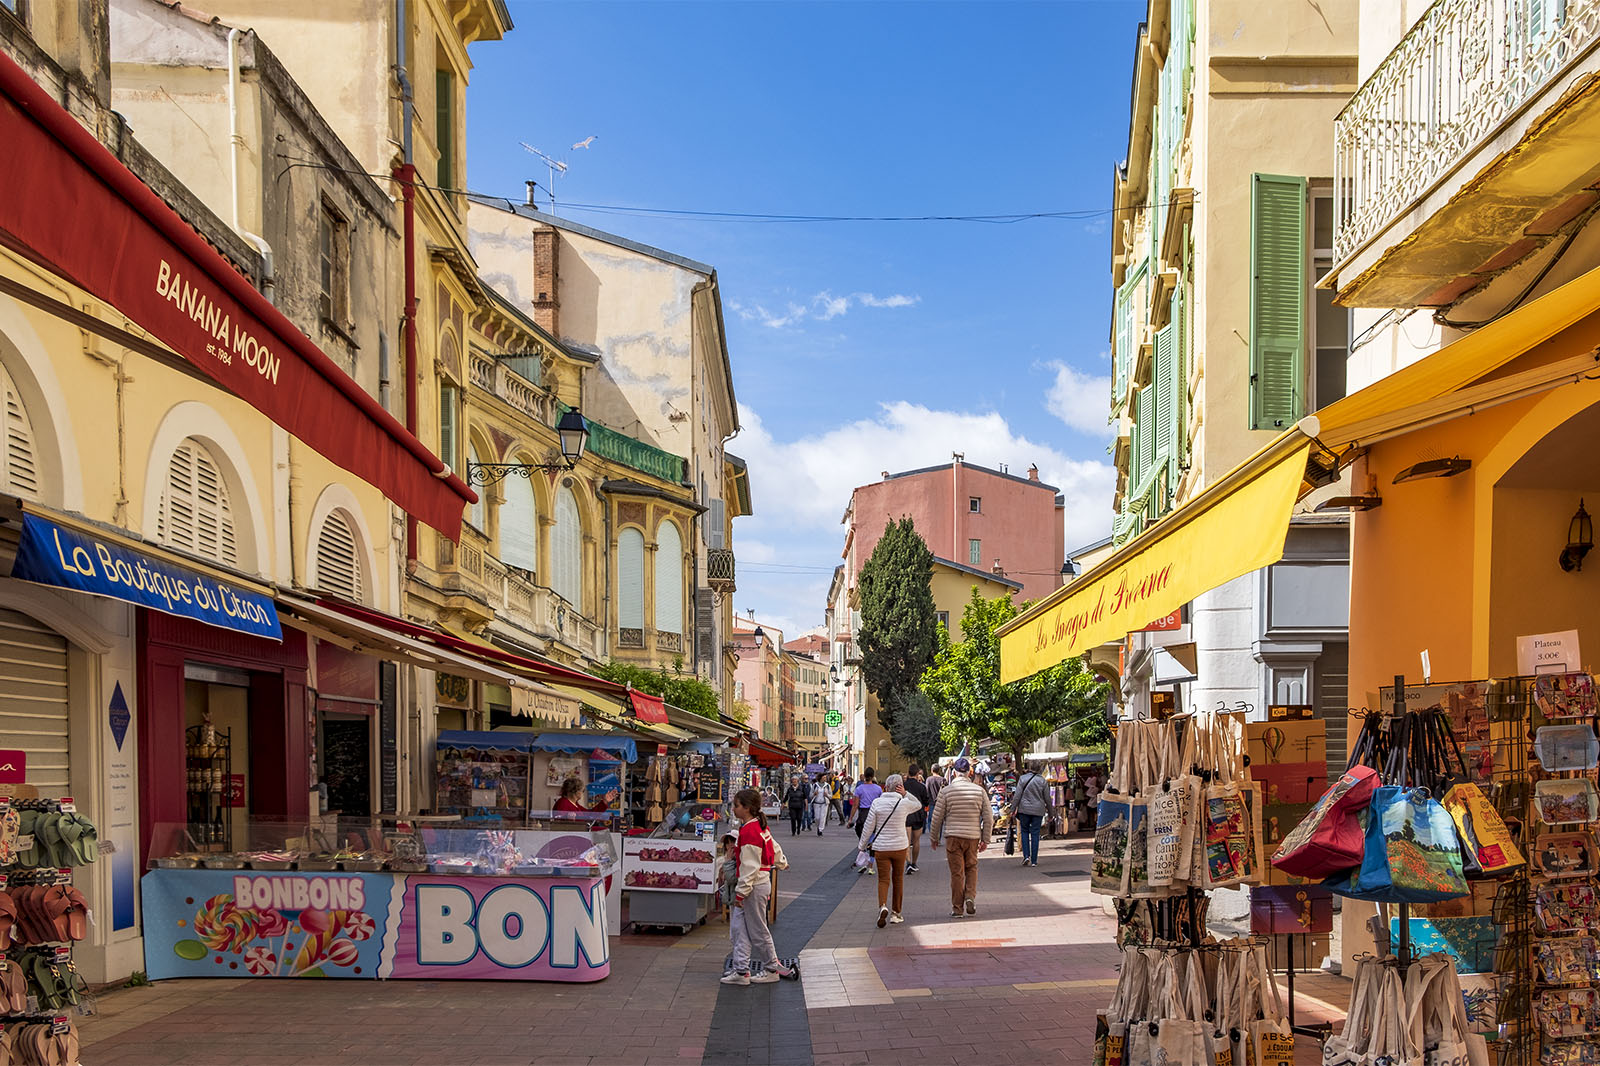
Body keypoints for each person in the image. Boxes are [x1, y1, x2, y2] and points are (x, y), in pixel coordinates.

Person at [723, 788, 796, 985]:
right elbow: (773, 846)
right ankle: (742, 970)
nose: (734, 809)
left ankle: (771, 968)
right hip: (758, 883)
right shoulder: (757, 826)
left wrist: (741, 892)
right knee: (744, 930)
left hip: (754, 885)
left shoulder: (749, 831)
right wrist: (781, 861)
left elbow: (749, 866)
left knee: (756, 930)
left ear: (746, 808)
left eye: (736, 806)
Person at [929, 757, 993, 918]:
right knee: (971, 867)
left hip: (953, 837)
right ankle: (970, 896)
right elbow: (988, 817)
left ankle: (958, 908)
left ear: (955, 773)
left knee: (957, 873)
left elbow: (937, 817)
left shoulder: (946, 791)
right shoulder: (979, 791)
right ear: (969, 773)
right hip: (972, 837)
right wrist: (986, 839)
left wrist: (934, 837)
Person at [857, 773, 915, 927]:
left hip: (881, 848)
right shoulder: (904, 802)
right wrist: (905, 793)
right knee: (898, 879)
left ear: (885, 787)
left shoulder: (877, 803)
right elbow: (919, 805)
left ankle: (882, 905)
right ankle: (896, 913)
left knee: (883, 880)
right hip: (899, 847)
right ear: (899, 787)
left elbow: (868, 826)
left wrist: (861, 846)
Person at [1010, 762, 1051, 867]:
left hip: (1024, 810)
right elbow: (1047, 798)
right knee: (1035, 834)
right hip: (1038, 810)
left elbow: (1017, 796)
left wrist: (1012, 809)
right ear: (1039, 769)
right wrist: (1051, 813)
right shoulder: (1042, 781)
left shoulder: (1022, 779)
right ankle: (1034, 860)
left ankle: (1026, 856)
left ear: (1029, 768)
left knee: (1024, 831)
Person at [714, 832, 743, 977]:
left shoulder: (737, 861)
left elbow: (731, 878)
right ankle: (739, 968)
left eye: (733, 841)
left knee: (739, 935)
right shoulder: (723, 860)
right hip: (732, 900)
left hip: (739, 900)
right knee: (735, 934)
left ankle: (741, 969)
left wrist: (728, 863)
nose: (730, 845)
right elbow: (721, 882)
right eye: (728, 842)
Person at [903, 765, 931, 873]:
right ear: (917, 774)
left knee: (906, 841)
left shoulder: (903, 786)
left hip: (906, 815)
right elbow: (926, 802)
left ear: (908, 773)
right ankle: (914, 863)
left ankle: (908, 863)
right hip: (919, 815)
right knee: (916, 841)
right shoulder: (922, 787)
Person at [852, 768, 883, 839]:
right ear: (873, 776)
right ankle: (870, 845)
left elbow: (855, 805)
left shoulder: (859, 789)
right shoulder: (878, 789)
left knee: (861, 832)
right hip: (875, 812)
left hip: (863, 813)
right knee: (873, 832)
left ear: (865, 776)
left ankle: (863, 847)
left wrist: (851, 819)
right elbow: (881, 802)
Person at [924, 766, 946, 847]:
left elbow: (926, 790)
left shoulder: (929, 779)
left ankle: (933, 837)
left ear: (931, 770)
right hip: (941, 803)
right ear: (939, 770)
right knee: (939, 821)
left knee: (930, 820)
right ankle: (938, 839)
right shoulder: (943, 780)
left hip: (932, 802)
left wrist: (926, 801)